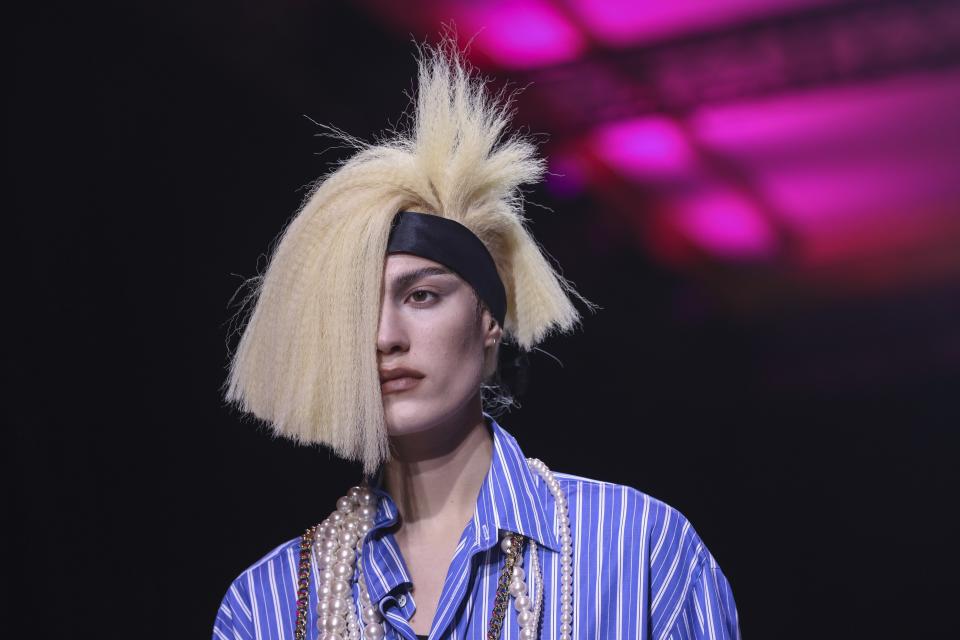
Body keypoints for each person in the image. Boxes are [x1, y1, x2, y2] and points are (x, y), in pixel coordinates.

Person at [214, 41, 740, 640]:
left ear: (489, 317)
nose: (385, 337)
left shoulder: (640, 553)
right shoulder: (271, 606)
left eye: (422, 296)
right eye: (357, 310)